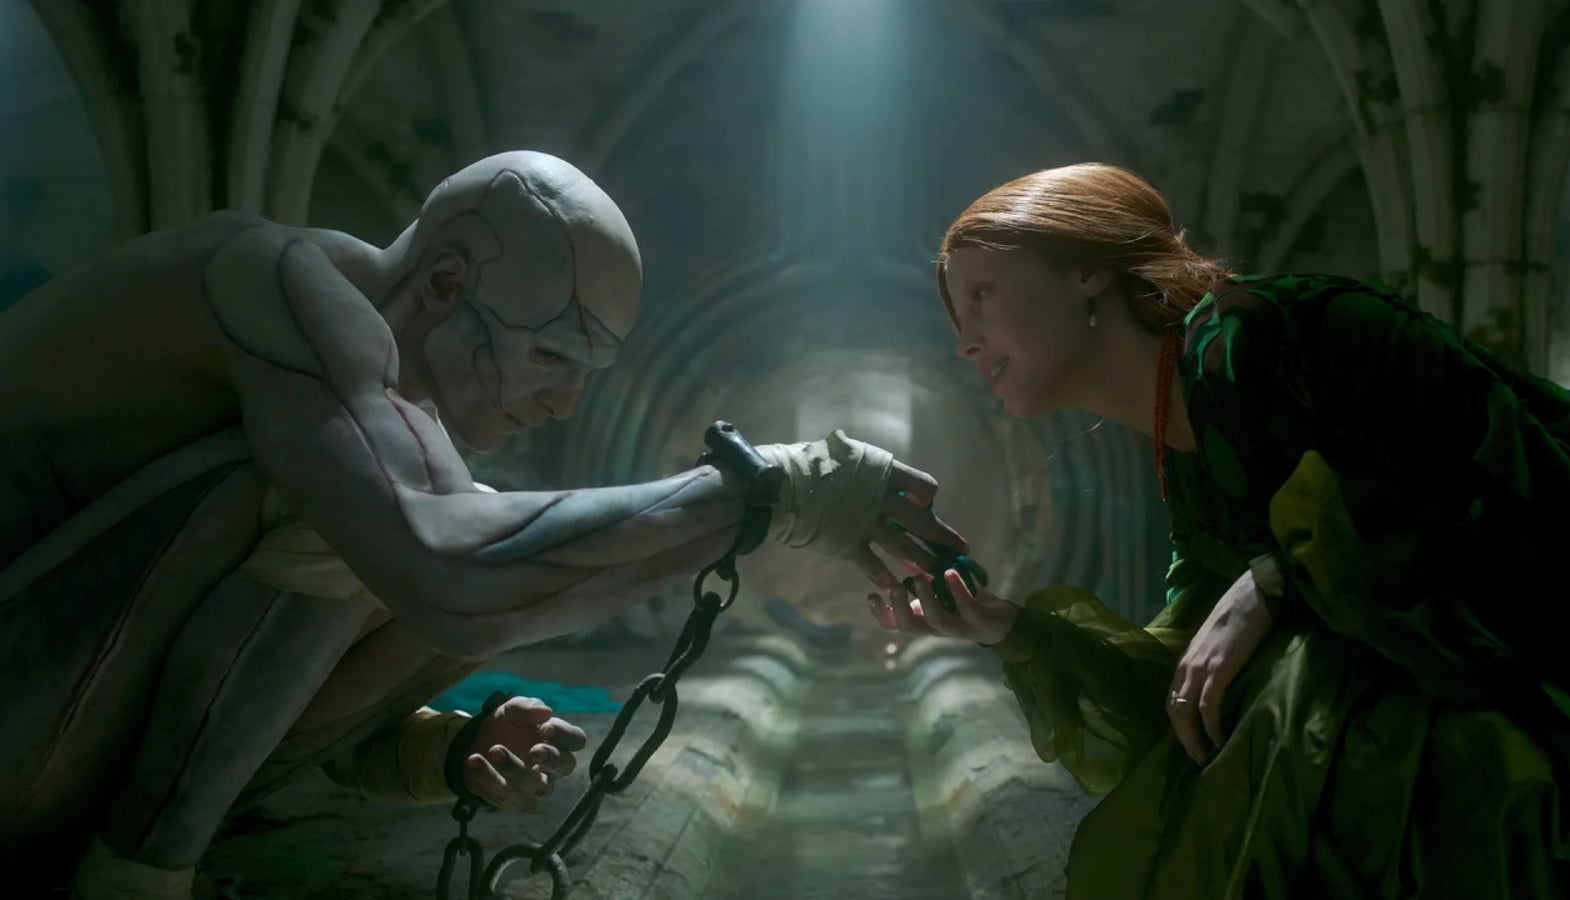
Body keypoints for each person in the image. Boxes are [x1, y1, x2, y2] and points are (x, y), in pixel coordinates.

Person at [0, 150, 964, 898]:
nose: (562, 403)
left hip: (48, 741)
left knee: (492, 554)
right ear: (446, 283)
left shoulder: (383, 431)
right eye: (550, 357)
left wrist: (439, 750)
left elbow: (258, 662)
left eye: (585, 377)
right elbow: (446, 573)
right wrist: (771, 488)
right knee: (426, 540)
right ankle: (137, 879)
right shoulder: (275, 280)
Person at [867, 162, 1570, 898]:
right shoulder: (1187, 454)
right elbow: (1184, 689)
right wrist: (1007, 628)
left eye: (982, 295)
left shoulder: (1276, 336)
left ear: (1087, 271)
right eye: (958, 314)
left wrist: (1273, 583)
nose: (965, 342)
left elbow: (1504, 507)